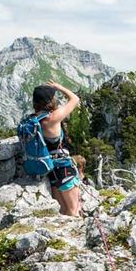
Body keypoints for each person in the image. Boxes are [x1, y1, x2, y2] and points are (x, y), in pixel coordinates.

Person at [32, 81, 80, 216]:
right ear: (50, 100)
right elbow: (75, 99)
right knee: (74, 211)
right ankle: (75, 236)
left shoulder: (34, 120)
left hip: (50, 171)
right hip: (64, 169)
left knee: (63, 212)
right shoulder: (52, 118)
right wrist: (59, 86)